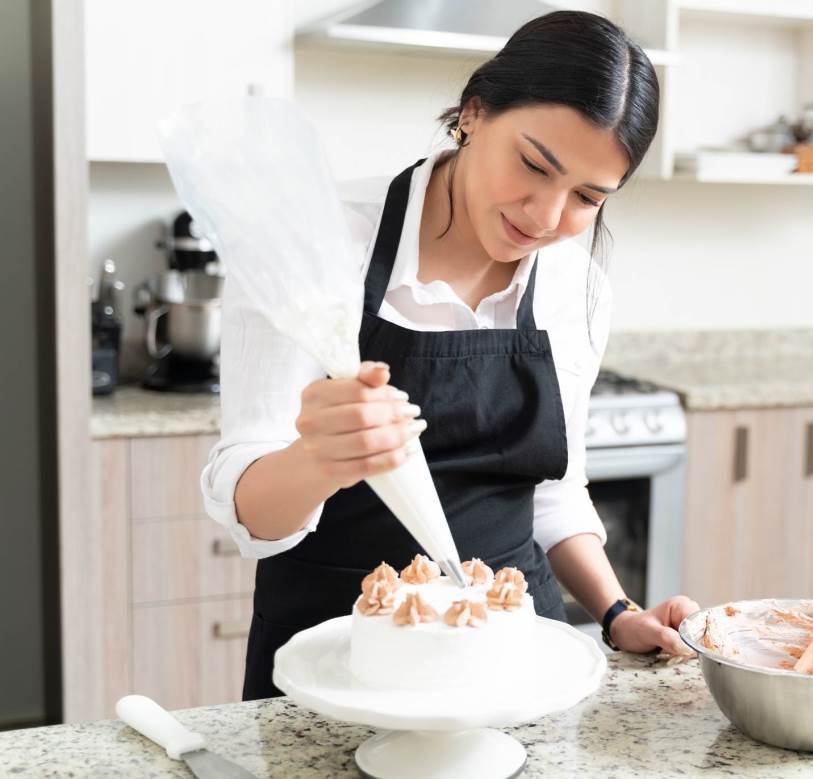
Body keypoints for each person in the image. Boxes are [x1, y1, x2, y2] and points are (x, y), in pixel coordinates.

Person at [200, 10, 699, 700]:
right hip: (336, 656)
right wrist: (317, 459)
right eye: (533, 164)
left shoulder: (575, 287)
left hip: (512, 653)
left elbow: (555, 492)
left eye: (587, 197)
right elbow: (248, 513)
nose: (547, 217)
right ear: (473, 112)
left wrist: (618, 613)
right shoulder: (322, 247)